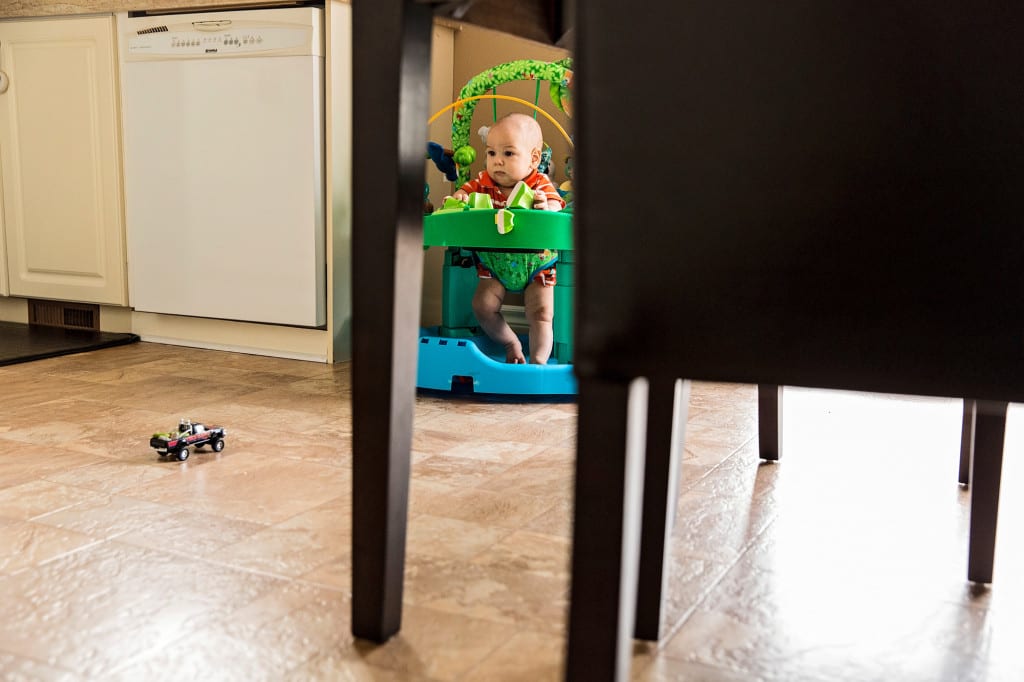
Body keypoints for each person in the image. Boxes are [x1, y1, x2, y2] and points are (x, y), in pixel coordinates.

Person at [450, 113, 565, 364]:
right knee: (482, 306)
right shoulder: (483, 182)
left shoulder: (539, 183)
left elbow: (557, 207)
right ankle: (511, 343)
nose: (497, 162)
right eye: (491, 153)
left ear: (534, 159)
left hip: (536, 262)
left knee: (542, 313)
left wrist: (546, 206)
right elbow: (463, 191)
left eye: (508, 154)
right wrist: (459, 197)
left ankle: (538, 363)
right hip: (494, 263)